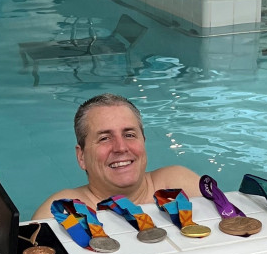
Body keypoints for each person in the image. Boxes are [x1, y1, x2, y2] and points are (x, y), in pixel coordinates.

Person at [33, 93, 200, 218]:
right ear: (81, 156)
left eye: (129, 135)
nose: (121, 147)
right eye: (104, 138)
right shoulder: (60, 211)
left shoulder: (179, 184)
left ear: (143, 142)